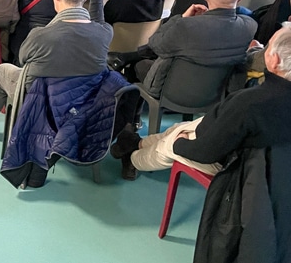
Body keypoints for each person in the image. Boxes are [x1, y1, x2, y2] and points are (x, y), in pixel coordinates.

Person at [112, 24, 291, 188]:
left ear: (274, 61)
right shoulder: (260, 99)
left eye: (267, 47)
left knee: (169, 144)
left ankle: (132, 159)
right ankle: (136, 142)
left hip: (233, 162)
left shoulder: (249, 102)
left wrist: (179, 144)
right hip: (262, 162)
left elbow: (205, 152)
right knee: (178, 128)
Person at [0, 0, 112, 144]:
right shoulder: (104, 33)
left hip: (39, 100)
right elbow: (98, 22)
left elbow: (23, 58)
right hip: (81, 101)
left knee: (2, 71)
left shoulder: (40, 36)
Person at [109, 0, 257, 98]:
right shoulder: (250, 26)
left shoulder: (186, 26)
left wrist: (181, 18)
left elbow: (155, 44)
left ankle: (132, 120)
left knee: (137, 65)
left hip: (172, 92)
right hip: (218, 93)